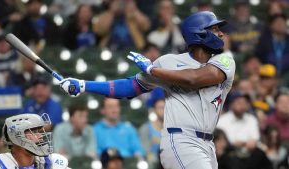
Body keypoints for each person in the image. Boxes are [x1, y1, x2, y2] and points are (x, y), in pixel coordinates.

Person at [60, 11, 236, 169]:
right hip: (181, 140)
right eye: (214, 29)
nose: (221, 33)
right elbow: (130, 87)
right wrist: (84, 85)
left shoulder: (224, 62)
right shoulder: (168, 62)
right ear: (198, 33)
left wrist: (152, 70)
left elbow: (194, 79)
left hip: (207, 144)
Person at [0, 113, 70, 168]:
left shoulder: (51, 162)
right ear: (17, 137)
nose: (40, 137)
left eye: (39, 132)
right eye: (34, 132)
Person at [139, 98, 164, 167]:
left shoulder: (171, 130)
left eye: (165, 107)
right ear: (154, 110)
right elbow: (144, 151)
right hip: (153, 164)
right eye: (161, 108)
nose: (164, 111)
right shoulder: (146, 128)